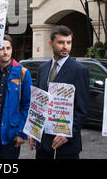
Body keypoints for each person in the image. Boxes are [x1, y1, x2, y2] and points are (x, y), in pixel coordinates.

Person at [29, 25, 89, 159]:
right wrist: (33, 131)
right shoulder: (42, 69)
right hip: (43, 144)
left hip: (65, 146)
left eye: (69, 42)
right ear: (51, 43)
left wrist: (68, 133)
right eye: (61, 42)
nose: (65, 47)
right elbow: (38, 103)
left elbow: (82, 110)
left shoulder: (79, 70)